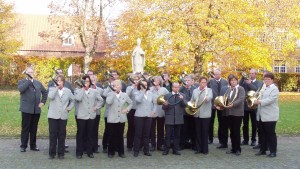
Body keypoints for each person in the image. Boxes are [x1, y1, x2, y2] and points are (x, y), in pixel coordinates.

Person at [18, 67, 48, 152]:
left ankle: (33, 145)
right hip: (26, 109)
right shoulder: (22, 82)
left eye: (32, 72)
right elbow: (21, 89)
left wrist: (43, 102)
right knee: (25, 128)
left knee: (34, 128)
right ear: (26, 73)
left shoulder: (38, 83)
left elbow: (45, 92)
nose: (31, 73)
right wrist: (28, 81)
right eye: (29, 72)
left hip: (36, 109)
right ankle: (23, 146)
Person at [75, 75, 104, 159]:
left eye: (87, 81)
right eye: (84, 81)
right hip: (82, 116)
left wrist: (96, 107)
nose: (86, 83)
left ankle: (89, 151)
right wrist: (83, 89)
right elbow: (78, 99)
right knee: (80, 134)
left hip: (91, 115)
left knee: (90, 134)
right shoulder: (78, 90)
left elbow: (101, 100)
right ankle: (79, 152)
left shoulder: (94, 91)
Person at [216, 74, 245, 156]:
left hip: (237, 113)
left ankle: (238, 149)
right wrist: (220, 105)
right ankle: (233, 148)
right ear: (229, 82)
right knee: (232, 132)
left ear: (237, 81)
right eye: (232, 80)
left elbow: (240, 99)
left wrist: (233, 104)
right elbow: (225, 99)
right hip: (229, 113)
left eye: (235, 80)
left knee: (236, 131)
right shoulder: (229, 89)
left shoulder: (240, 89)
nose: (233, 82)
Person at [47, 75, 75, 159]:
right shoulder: (52, 89)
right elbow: (50, 97)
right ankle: (52, 153)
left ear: (63, 82)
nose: (59, 82)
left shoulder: (67, 91)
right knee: (53, 135)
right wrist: (56, 88)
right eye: (57, 81)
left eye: (60, 81)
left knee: (62, 135)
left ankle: (61, 153)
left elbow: (73, 100)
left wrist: (69, 108)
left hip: (63, 115)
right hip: (53, 116)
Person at [254, 72, 279, 158]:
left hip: (270, 116)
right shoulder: (263, 88)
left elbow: (270, 100)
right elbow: (258, 96)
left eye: (268, 79)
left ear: (272, 80)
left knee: (270, 134)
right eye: (265, 79)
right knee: (262, 133)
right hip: (261, 115)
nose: (266, 80)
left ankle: (273, 151)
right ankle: (263, 150)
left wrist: (259, 102)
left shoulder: (274, 89)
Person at [106, 80, 133, 158]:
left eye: (118, 85)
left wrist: (126, 109)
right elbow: (108, 102)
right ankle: (111, 152)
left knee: (120, 135)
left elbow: (131, 103)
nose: (116, 87)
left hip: (121, 118)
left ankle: (121, 152)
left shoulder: (124, 95)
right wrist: (114, 93)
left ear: (121, 86)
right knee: (111, 135)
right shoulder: (109, 94)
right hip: (112, 118)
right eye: (114, 85)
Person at [162, 82, 187, 155]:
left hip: (178, 118)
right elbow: (163, 108)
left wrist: (182, 99)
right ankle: (166, 149)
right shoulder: (167, 95)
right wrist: (165, 105)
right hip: (169, 117)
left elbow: (185, 105)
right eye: (175, 87)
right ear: (172, 88)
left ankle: (175, 149)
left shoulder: (183, 95)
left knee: (177, 135)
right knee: (168, 135)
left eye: (178, 87)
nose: (176, 89)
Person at [240, 69, 263, 146]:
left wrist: (250, 83)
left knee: (254, 124)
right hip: (245, 106)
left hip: (254, 106)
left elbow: (257, 90)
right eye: (250, 73)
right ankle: (245, 139)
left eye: (252, 73)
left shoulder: (259, 82)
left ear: (256, 74)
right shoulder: (245, 82)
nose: (251, 75)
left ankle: (253, 140)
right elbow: (239, 86)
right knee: (245, 124)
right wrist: (243, 77)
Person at [133, 80, 156, 157]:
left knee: (147, 134)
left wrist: (153, 111)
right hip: (139, 116)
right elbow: (138, 100)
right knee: (138, 134)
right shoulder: (136, 93)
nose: (144, 86)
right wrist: (142, 92)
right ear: (140, 85)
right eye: (143, 85)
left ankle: (146, 150)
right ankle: (136, 150)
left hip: (148, 116)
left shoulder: (151, 94)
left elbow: (155, 103)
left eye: (146, 85)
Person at [191, 77, 213, 155]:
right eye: (202, 82)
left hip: (205, 114)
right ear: (199, 83)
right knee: (197, 132)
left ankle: (205, 149)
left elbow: (209, 98)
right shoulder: (195, 91)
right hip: (197, 114)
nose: (204, 84)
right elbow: (192, 100)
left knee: (204, 132)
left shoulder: (209, 90)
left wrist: (206, 97)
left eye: (205, 82)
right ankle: (198, 148)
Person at [207, 68, 228, 145]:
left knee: (222, 122)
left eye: (218, 74)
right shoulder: (210, 82)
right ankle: (210, 138)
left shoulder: (225, 81)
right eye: (215, 74)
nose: (216, 75)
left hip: (221, 105)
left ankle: (221, 139)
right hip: (212, 104)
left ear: (220, 74)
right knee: (210, 122)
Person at [149, 76, 169, 151]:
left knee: (161, 129)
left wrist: (166, 103)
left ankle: (160, 145)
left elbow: (168, 97)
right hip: (152, 111)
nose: (155, 82)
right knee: (152, 130)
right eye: (154, 80)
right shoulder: (150, 89)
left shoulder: (164, 89)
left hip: (161, 111)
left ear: (160, 82)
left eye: (157, 80)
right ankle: (153, 145)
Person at [179, 75, 196, 150]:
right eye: (185, 80)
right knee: (183, 129)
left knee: (193, 129)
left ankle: (193, 144)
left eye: (188, 80)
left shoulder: (195, 89)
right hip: (184, 112)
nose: (187, 82)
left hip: (192, 111)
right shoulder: (181, 89)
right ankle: (183, 143)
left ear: (191, 81)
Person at [125, 74, 139, 151]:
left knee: (138, 128)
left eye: (137, 79)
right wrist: (132, 87)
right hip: (131, 110)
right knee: (131, 127)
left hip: (139, 110)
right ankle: (129, 145)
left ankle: (138, 144)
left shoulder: (140, 87)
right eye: (135, 79)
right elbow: (126, 96)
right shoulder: (129, 87)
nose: (136, 81)